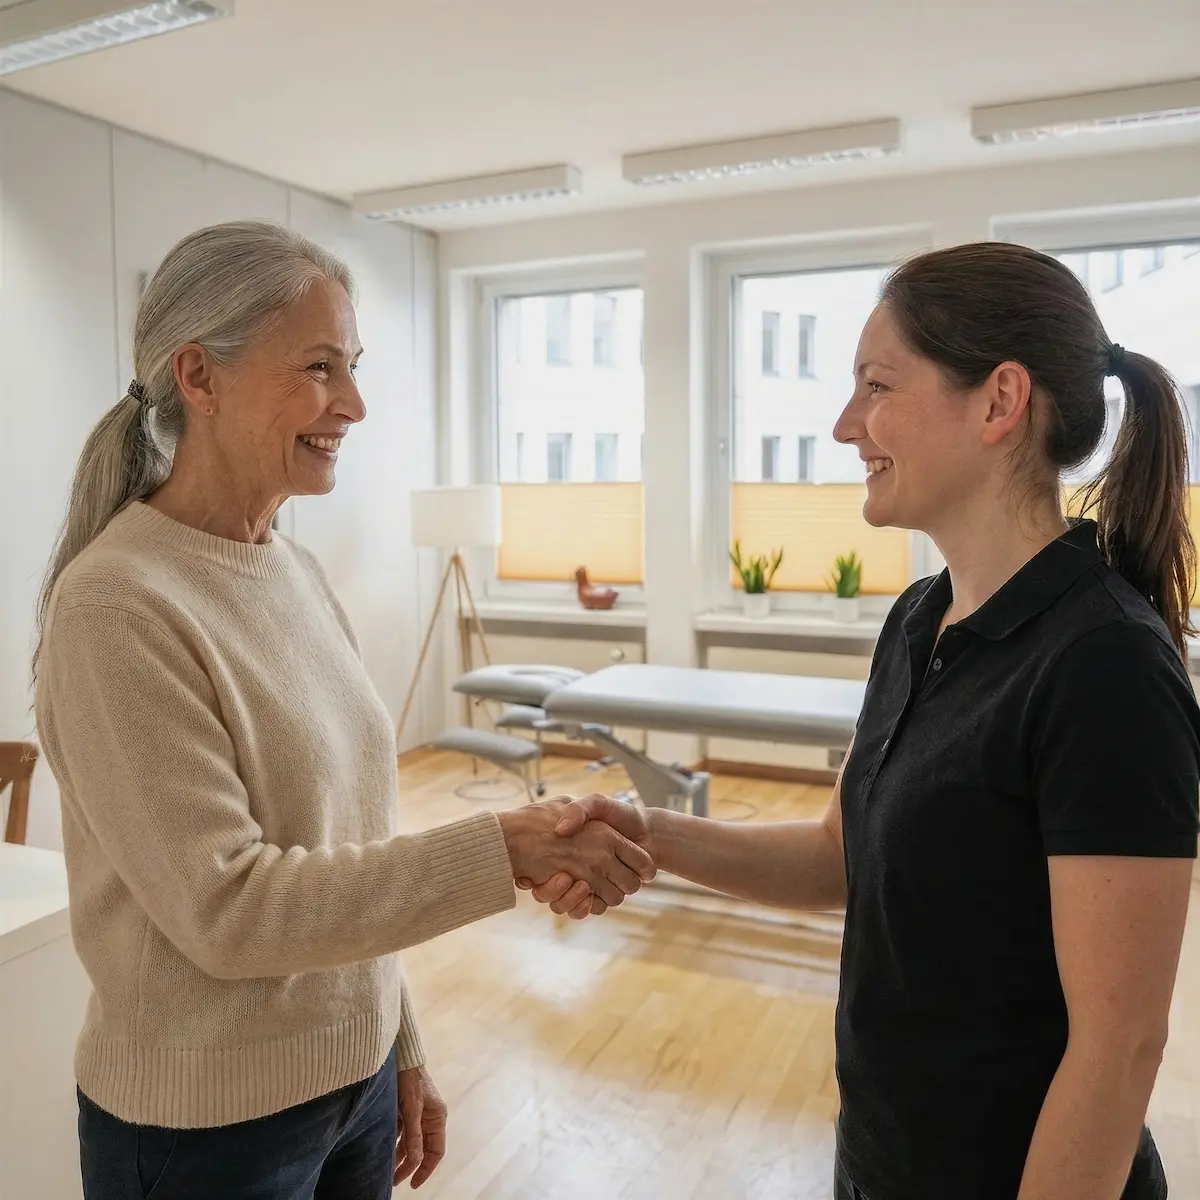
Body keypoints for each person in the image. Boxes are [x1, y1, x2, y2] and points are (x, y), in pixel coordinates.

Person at [528, 242, 1200, 1200]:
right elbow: (839, 858)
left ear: (1000, 403)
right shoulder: (920, 619)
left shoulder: (1106, 664)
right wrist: (650, 833)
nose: (846, 425)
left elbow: (1119, 1047)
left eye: (876, 386)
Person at [32, 220, 655, 1200]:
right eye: (319, 368)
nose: (354, 405)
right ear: (199, 376)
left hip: (355, 1092)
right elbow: (229, 910)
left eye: (352, 368)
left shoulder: (295, 569)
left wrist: (395, 1041)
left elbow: (347, 842)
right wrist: (506, 848)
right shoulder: (117, 607)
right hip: (207, 1133)